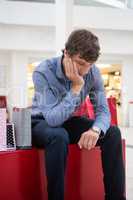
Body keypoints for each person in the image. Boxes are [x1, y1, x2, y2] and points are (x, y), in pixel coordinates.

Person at [31, 29, 126, 200]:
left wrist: (96, 129)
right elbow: (53, 119)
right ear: (66, 53)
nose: (84, 70)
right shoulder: (43, 72)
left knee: (112, 133)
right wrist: (76, 87)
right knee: (58, 135)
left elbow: (103, 110)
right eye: (80, 63)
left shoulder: (92, 72)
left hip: (68, 121)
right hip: (41, 121)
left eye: (89, 64)